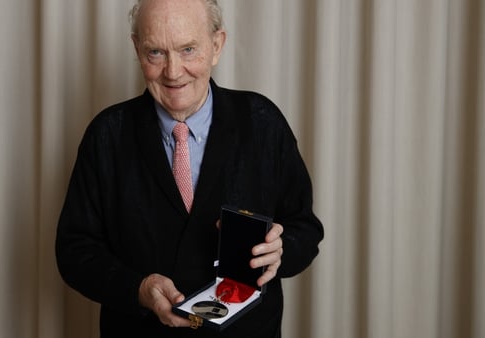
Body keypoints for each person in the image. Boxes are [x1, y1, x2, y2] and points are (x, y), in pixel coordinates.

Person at [55, 0, 324, 337]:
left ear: (217, 45)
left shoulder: (262, 122)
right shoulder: (107, 134)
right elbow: (74, 252)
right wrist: (138, 288)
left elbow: (305, 229)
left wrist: (281, 250)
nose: (173, 71)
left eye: (188, 49)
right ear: (137, 49)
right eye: (155, 52)